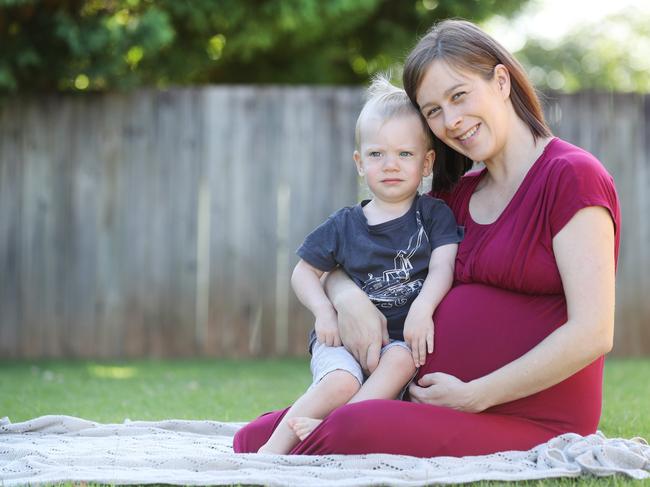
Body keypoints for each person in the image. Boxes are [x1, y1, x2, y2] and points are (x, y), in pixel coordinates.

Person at [234, 19, 621, 457]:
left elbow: (593, 332)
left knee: (347, 430)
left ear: (499, 80)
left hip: (525, 415)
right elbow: (353, 259)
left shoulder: (570, 176)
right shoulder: (452, 197)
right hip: (422, 395)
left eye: (458, 96)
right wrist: (346, 297)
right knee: (252, 438)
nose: (451, 120)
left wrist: (476, 394)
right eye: (433, 110)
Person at [257, 76, 463, 454]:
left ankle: (335, 426)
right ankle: (271, 450)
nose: (390, 165)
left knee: (402, 360)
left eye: (405, 154)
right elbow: (303, 272)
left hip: (395, 342)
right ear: (359, 162)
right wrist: (323, 311)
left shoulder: (433, 216)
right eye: (376, 154)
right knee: (340, 383)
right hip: (340, 339)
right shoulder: (344, 224)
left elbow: (442, 267)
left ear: (427, 162)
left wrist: (423, 308)